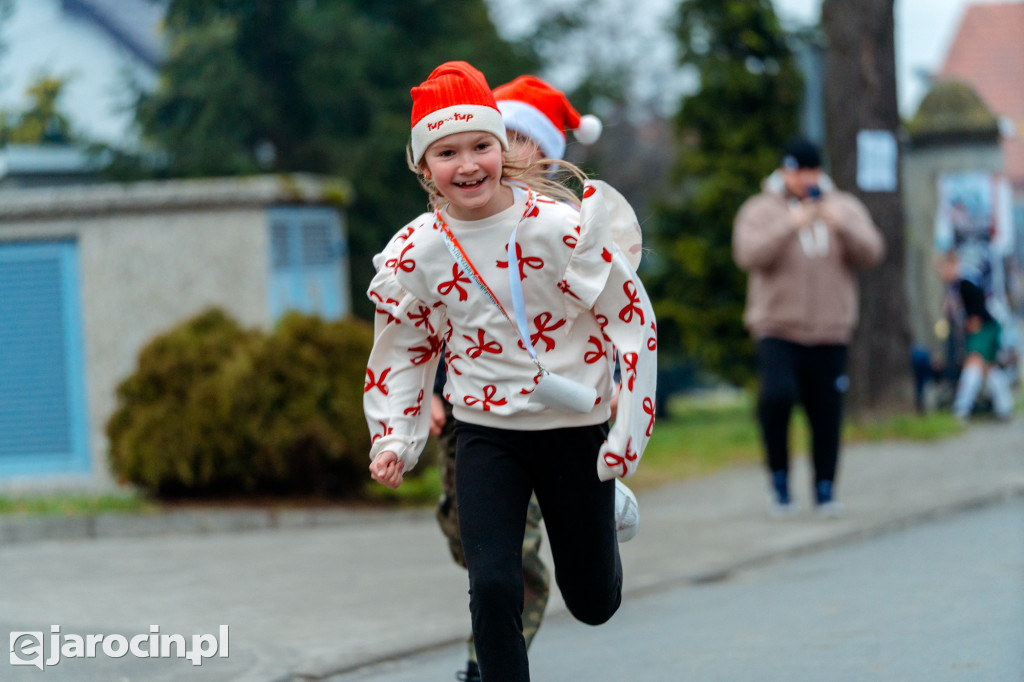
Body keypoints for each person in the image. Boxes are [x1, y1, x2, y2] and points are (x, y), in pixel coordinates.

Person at [365, 61, 657, 682]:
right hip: (485, 432)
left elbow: (630, 320)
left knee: (594, 604)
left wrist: (629, 424)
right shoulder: (416, 252)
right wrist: (396, 434)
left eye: (480, 146)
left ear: (502, 149)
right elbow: (405, 345)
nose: (467, 165)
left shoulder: (561, 229)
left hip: (573, 425)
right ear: (424, 167)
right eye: (447, 152)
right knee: (495, 584)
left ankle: (601, 519)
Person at [430, 74, 605, 682]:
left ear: (546, 150)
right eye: (495, 136)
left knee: (520, 556)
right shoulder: (453, 216)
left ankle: (490, 666)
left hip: (560, 412)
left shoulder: (567, 219)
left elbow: (613, 313)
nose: (502, 151)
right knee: (471, 544)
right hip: (475, 412)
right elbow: (430, 312)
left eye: (517, 138)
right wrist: (428, 394)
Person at [732, 137, 884, 517]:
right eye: (797, 171)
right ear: (785, 172)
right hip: (777, 327)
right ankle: (780, 480)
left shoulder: (843, 206)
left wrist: (842, 225)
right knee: (777, 398)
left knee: (827, 411)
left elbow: (873, 251)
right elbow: (747, 254)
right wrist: (789, 225)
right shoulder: (761, 209)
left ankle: (825, 487)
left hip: (831, 329)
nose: (805, 178)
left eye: (811, 171)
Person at [937, 249, 1015, 421]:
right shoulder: (956, 285)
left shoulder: (964, 282)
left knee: (972, 366)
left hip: (984, 329)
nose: (941, 273)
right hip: (989, 328)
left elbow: (979, 302)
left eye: (943, 268)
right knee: (988, 368)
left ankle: (961, 410)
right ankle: (1005, 407)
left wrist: (973, 320)